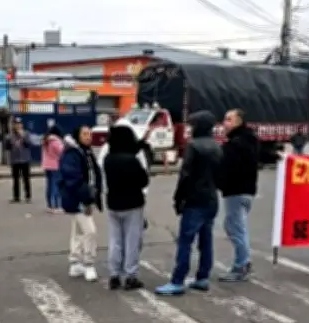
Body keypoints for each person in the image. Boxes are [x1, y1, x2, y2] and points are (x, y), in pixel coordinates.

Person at [155, 111, 222, 296]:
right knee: (206, 240)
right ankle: (202, 277)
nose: (190, 129)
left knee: (185, 241)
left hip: (194, 200)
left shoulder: (194, 146)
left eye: (192, 125)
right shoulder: (217, 146)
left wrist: (178, 198)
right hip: (211, 199)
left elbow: (185, 175)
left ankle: (177, 280)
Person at [103, 125, 149, 290]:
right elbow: (143, 180)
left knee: (115, 240)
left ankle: (114, 274)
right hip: (132, 203)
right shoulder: (132, 160)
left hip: (113, 203)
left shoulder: (108, 159)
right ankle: (131, 275)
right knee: (132, 241)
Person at [217, 109, 259, 282]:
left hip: (236, 190)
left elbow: (227, 168)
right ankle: (243, 262)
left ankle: (241, 265)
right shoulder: (251, 140)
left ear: (238, 122)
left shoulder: (234, 145)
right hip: (247, 191)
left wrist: (219, 182)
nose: (224, 123)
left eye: (228, 119)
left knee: (235, 228)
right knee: (235, 226)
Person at [59, 125, 103, 282]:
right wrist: (87, 199)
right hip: (78, 199)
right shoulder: (72, 154)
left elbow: (94, 173)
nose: (88, 136)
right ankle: (89, 264)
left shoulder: (87, 152)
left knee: (78, 231)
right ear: (78, 135)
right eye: (85, 134)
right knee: (90, 231)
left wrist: (96, 193)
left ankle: (75, 262)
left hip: (83, 197)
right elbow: (74, 179)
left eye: (90, 134)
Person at [5, 117, 33, 203]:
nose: (18, 126)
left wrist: (22, 136)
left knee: (26, 179)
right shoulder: (10, 135)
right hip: (15, 160)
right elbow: (7, 148)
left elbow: (29, 144)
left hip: (25, 160)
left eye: (19, 124)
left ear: (22, 125)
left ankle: (28, 196)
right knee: (15, 179)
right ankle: (16, 197)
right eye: (16, 124)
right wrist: (7, 140)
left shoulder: (26, 133)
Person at [41, 125, 64, 213]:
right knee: (56, 186)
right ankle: (57, 205)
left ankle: (49, 205)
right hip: (55, 165)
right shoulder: (55, 141)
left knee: (49, 186)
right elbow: (62, 152)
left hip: (47, 165)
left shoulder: (46, 141)